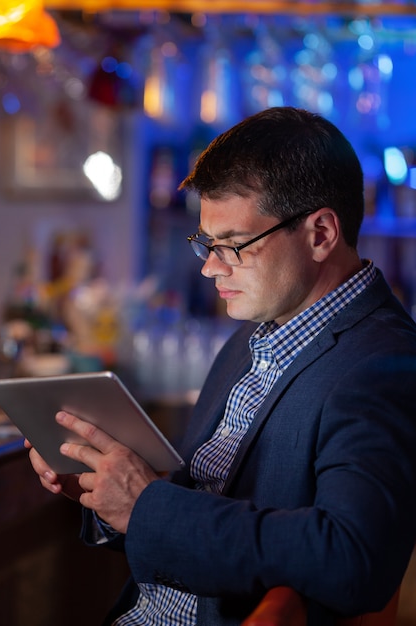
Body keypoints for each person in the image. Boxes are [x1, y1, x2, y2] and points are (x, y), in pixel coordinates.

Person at [27, 106, 416, 626]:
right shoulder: (248, 338)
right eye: (207, 244)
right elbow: (202, 514)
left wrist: (149, 506)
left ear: (321, 233)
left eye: (232, 245)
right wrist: (110, 496)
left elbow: (352, 561)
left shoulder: (383, 363)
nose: (211, 267)